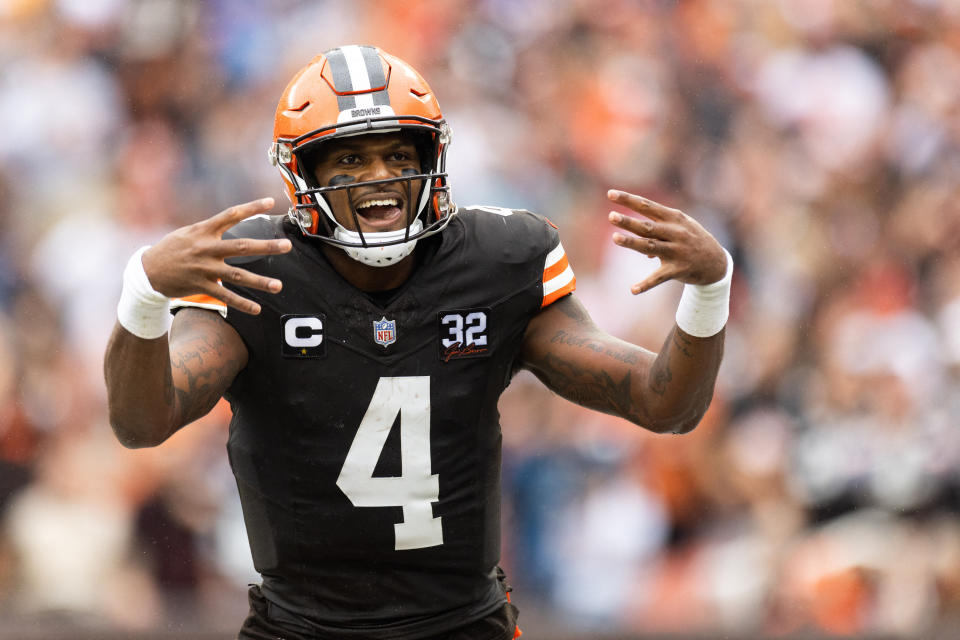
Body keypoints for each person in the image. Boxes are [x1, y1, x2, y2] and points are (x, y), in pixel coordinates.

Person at [104, 45, 731, 640]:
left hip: (461, 622)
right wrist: (144, 293)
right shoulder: (258, 270)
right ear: (303, 172)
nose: (380, 176)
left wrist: (710, 289)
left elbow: (664, 404)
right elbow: (142, 421)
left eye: (400, 156)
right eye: (349, 159)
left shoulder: (499, 262)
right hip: (302, 626)